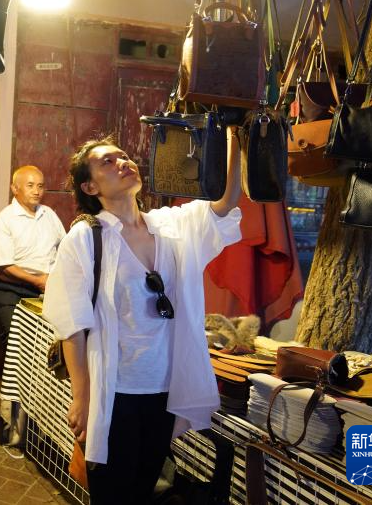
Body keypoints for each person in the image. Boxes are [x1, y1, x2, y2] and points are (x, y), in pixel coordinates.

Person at [42, 134, 243, 505]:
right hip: (114, 392)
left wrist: (235, 135)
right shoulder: (86, 238)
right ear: (90, 187)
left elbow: (226, 202)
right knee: (112, 495)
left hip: (162, 389)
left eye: (123, 155)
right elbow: (72, 323)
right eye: (107, 161)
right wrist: (81, 398)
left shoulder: (172, 227)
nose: (122, 162)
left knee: (143, 491)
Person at [0, 165, 66, 364]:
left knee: (57, 338)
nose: (36, 191)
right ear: (15, 188)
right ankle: (14, 384)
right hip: (11, 289)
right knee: (17, 341)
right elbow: (3, 266)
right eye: (30, 185)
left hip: (48, 288)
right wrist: (38, 280)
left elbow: (65, 248)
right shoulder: (4, 220)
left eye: (40, 186)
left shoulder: (49, 214)